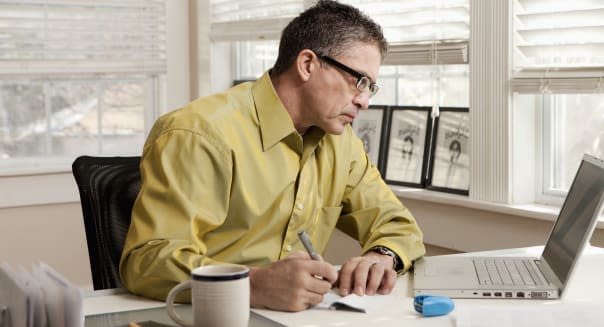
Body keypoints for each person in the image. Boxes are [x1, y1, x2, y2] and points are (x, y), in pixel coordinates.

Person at [120, 0, 425, 312]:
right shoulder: (199, 133)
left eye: (371, 87)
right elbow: (147, 260)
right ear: (307, 64)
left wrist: (381, 257)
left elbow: (397, 224)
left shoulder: (341, 143)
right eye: (358, 81)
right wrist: (252, 284)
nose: (364, 101)